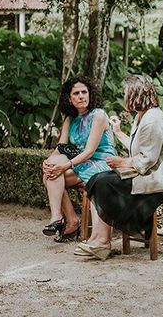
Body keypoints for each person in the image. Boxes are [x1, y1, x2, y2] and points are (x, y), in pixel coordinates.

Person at [75, 74, 163, 261]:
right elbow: (138, 147)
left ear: (135, 95)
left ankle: (101, 242)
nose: (123, 96)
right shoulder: (142, 117)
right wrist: (117, 132)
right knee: (97, 179)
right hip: (148, 173)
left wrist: (121, 162)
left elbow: (146, 160)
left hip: (158, 179)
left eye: (125, 93)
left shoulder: (152, 120)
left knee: (102, 183)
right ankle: (97, 239)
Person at [41, 77, 116, 242]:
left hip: (102, 162)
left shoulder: (99, 115)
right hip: (80, 163)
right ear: (69, 98)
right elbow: (61, 148)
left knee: (52, 176)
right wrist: (47, 162)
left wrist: (64, 166)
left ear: (90, 95)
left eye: (84, 92)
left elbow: (90, 152)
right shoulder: (70, 119)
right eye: (76, 93)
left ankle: (66, 221)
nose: (81, 96)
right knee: (50, 172)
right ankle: (60, 218)